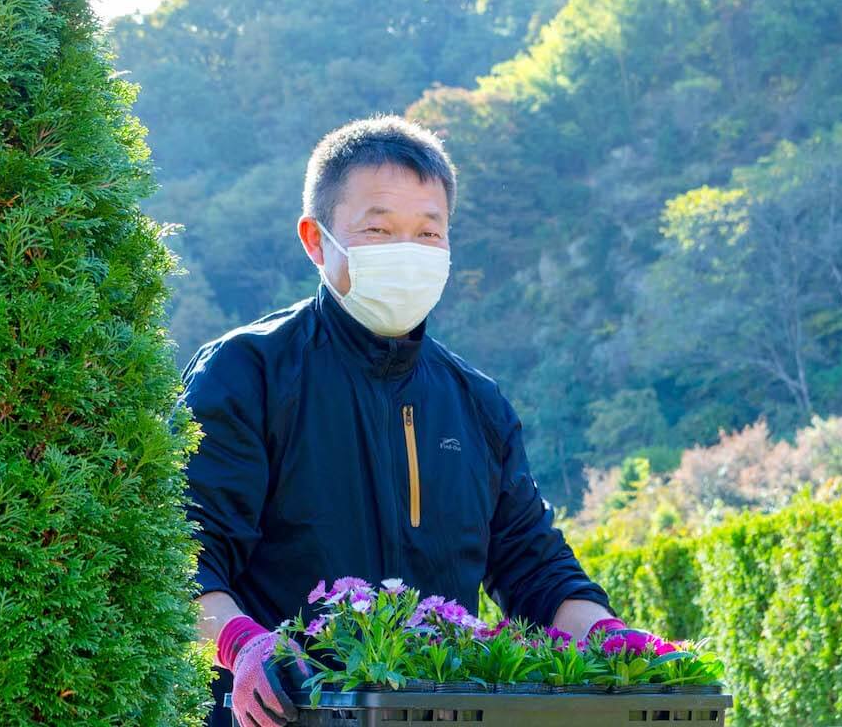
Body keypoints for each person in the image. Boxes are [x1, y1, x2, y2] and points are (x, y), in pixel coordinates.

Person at [179, 116, 648, 727]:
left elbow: (536, 570)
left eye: (429, 233)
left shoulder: (476, 404)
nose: (408, 252)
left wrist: (617, 640)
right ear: (316, 241)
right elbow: (184, 556)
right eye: (378, 229)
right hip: (286, 714)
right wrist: (243, 645)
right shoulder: (249, 374)